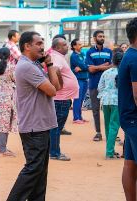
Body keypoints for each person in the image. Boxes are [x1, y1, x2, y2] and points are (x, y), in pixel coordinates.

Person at [7, 31, 61, 201]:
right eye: (38, 43)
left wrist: (49, 65)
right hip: (34, 127)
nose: (42, 46)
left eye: (42, 43)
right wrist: (50, 66)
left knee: (40, 172)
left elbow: (57, 86)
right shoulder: (26, 66)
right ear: (27, 46)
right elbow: (52, 90)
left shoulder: (35, 65)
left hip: (41, 125)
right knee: (33, 169)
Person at [49, 38, 79, 161]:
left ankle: (53, 151)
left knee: (56, 127)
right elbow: (54, 70)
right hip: (61, 98)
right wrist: (60, 84)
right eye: (64, 45)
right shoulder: (56, 57)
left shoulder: (57, 56)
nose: (67, 46)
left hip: (62, 98)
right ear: (57, 47)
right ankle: (55, 153)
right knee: (56, 127)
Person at [118, 17, 137, 201]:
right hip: (134, 119)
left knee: (130, 164)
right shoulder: (135, 58)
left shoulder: (129, 55)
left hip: (129, 118)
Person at [86, 30, 113, 141]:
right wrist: (104, 65)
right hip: (94, 84)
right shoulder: (89, 52)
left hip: (108, 85)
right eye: (99, 36)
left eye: (103, 36)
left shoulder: (109, 51)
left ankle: (111, 133)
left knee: (110, 109)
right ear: (94, 38)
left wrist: (97, 67)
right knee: (96, 110)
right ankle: (98, 133)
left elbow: (112, 66)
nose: (102, 38)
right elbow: (90, 69)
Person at [0, 47, 17, 157]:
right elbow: (16, 79)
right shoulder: (11, 67)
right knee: (5, 123)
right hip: (9, 97)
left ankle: (2, 148)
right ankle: (2, 150)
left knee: (1, 123)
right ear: (9, 55)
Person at [98, 49, 123, 159]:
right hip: (117, 102)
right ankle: (109, 152)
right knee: (114, 126)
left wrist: (104, 95)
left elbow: (100, 87)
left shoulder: (106, 72)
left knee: (108, 126)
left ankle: (111, 150)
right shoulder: (122, 72)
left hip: (105, 101)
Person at [70, 39, 89, 124]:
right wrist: (84, 67)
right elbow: (85, 66)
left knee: (82, 99)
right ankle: (76, 118)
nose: (81, 46)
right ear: (74, 46)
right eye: (79, 44)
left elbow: (87, 64)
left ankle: (80, 117)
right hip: (78, 79)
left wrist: (84, 67)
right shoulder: (74, 56)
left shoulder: (82, 54)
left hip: (85, 78)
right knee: (77, 98)